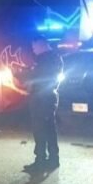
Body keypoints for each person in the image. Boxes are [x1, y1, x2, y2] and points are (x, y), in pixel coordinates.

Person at [23, 36, 63, 173]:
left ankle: (42, 160)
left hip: (44, 98)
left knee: (42, 130)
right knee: (47, 129)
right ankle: (50, 159)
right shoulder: (50, 59)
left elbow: (41, 78)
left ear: (42, 45)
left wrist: (26, 76)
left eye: (35, 47)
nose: (33, 50)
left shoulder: (48, 59)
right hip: (43, 97)